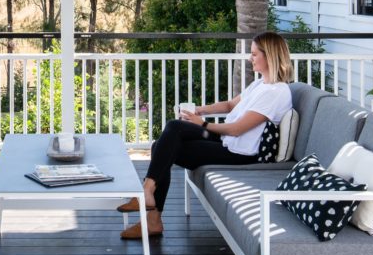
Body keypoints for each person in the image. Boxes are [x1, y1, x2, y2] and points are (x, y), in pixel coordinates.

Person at [117, 32, 295, 239]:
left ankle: (149, 202)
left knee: (166, 142)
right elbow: (229, 105)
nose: (250, 58)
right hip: (228, 142)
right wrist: (200, 110)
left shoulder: (275, 93)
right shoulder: (260, 84)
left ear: (270, 56)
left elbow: (238, 129)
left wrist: (202, 124)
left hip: (240, 153)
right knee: (168, 136)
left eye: (254, 54)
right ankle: (150, 208)